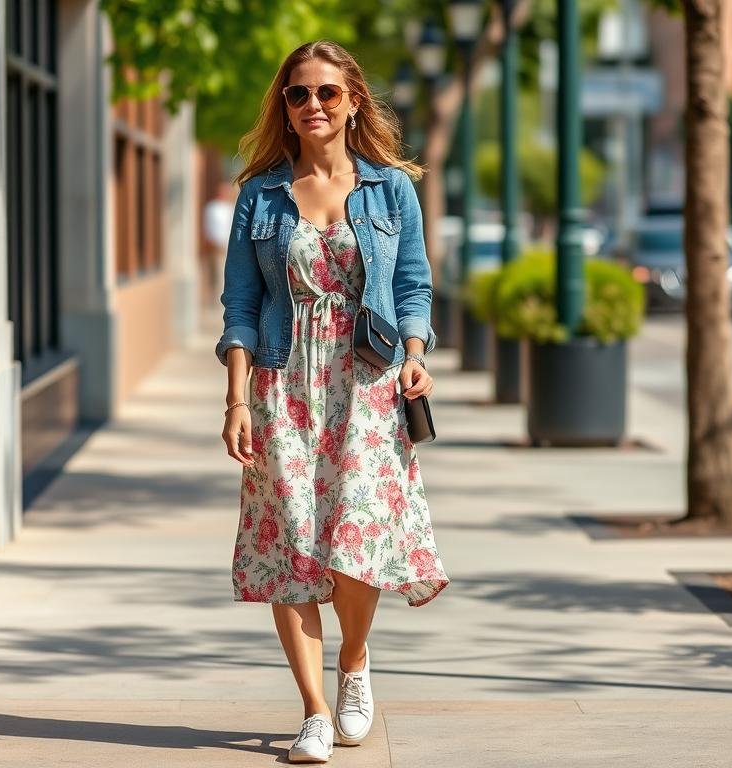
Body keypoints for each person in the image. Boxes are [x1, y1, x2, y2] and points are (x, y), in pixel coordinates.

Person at [214, 40, 449, 764]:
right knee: (291, 543)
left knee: (354, 539)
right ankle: (314, 711)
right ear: (284, 107)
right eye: (298, 93)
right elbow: (240, 305)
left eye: (327, 92)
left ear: (352, 103)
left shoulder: (390, 189)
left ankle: (353, 661)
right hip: (282, 382)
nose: (312, 104)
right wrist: (236, 400)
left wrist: (415, 356)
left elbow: (412, 286)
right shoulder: (259, 195)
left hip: (367, 382)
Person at [202, 181, 235, 306]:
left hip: (227, 245)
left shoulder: (230, 208)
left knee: (225, 272)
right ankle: (215, 299)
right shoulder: (212, 207)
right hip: (214, 245)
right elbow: (207, 226)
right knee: (214, 272)